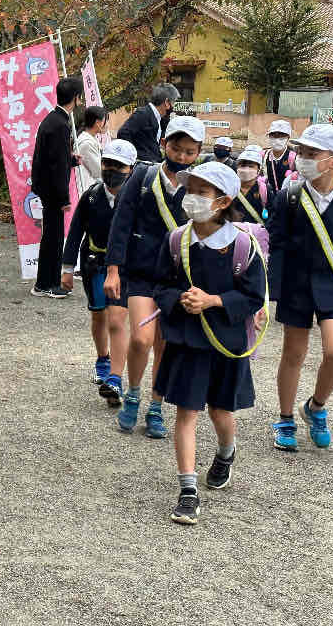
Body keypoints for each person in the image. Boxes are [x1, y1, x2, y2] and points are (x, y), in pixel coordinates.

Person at [152, 161, 267, 525]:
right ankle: (187, 491)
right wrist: (178, 300)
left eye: (202, 192)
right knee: (186, 412)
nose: (193, 198)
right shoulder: (175, 240)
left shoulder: (242, 246)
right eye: (191, 190)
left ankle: (226, 452)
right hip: (188, 341)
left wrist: (214, 300)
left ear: (222, 201)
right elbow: (160, 285)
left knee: (221, 411)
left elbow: (254, 296)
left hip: (226, 343)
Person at [268, 124, 333, 452]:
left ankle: (316, 407)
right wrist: (271, 293)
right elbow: (277, 245)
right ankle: (285, 417)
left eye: (312, 154)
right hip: (296, 286)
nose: (303, 159)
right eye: (302, 153)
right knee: (293, 354)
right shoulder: (290, 196)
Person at [104, 116, 205, 438]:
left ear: (199, 152)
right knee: (141, 338)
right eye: (177, 148)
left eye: (190, 152)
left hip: (178, 278)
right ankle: (133, 393)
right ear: (165, 145)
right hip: (142, 272)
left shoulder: (199, 185)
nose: (182, 156)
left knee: (165, 347)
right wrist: (113, 269)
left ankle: (156, 406)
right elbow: (121, 222)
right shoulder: (143, 177)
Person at [60, 139, 137, 406]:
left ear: (131, 168)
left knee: (117, 319)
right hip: (94, 262)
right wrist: (67, 269)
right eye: (107, 164)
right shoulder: (91, 196)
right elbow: (75, 233)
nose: (111, 169)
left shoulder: (136, 198)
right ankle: (103, 358)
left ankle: (115, 378)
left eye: (119, 165)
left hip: (124, 268)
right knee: (99, 316)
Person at [31, 77, 84, 298]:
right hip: (53, 191)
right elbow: (57, 166)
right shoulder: (61, 125)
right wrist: (64, 199)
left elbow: (54, 159)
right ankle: (50, 284)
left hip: (45, 187)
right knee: (53, 238)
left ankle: (43, 283)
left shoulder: (51, 120)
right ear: (76, 97)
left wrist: (71, 160)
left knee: (50, 237)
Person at [116, 83, 180, 164]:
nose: (173, 106)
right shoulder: (143, 113)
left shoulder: (160, 118)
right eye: (173, 102)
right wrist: (136, 158)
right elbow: (123, 133)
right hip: (142, 166)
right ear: (167, 102)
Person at [233, 145, 269, 225]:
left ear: (259, 170)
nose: (246, 169)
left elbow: (273, 218)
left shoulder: (265, 190)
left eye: (251, 166)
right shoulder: (230, 188)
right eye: (242, 166)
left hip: (256, 235)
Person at [75, 106, 108, 188]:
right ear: (98, 123)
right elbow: (98, 171)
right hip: (86, 189)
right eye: (105, 121)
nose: (107, 124)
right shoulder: (87, 143)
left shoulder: (90, 138)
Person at [263, 119, 296, 191]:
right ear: (269, 136)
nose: (277, 139)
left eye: (281, 136)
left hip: (286, 198)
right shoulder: (264, 156)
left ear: (288, 138)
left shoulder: (293, 157)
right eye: (274, 135)